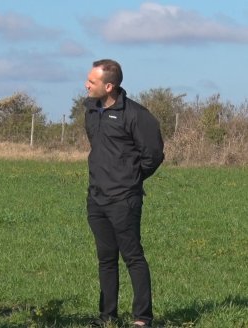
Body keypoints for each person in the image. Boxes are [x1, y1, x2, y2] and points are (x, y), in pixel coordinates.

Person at [83, 59, 164, 328]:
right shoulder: (91, 110)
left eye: (92, 82)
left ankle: (142, 317)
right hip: (96, 198)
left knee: (132, 256)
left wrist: (130, 179)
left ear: (109, 86)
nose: (86, 85)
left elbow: (153, 155)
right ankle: (107, 316)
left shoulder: (137, 115)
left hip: (124, 199)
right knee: (106, 258)